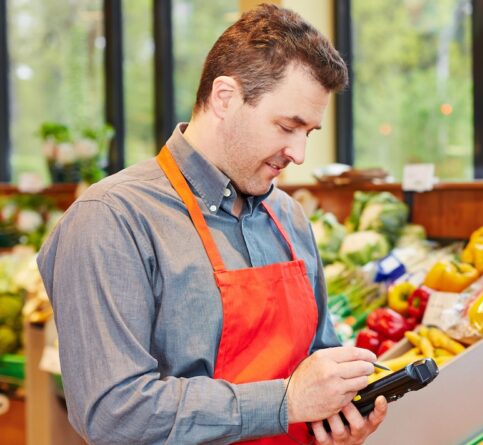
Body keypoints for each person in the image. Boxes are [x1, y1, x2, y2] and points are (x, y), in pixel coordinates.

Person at [37, 4, 387, 444]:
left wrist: (338, 412)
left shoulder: (288, 216)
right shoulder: (111, 220)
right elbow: (113, 413)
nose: (299, 153)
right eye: (287, 126)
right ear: (224, 98)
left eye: (309, 133)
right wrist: (286, 402)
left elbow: (318, 355)